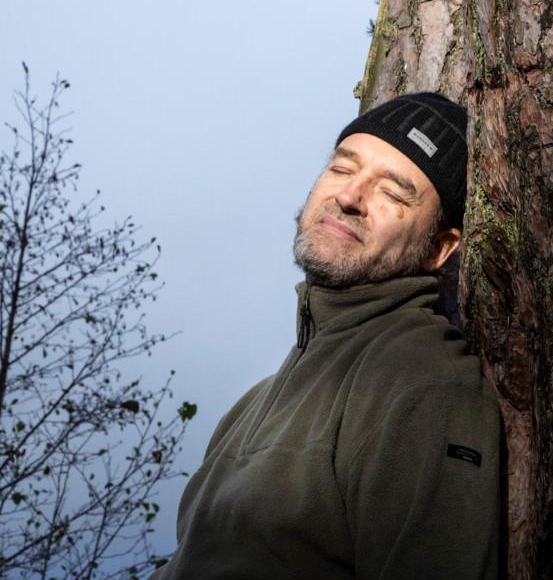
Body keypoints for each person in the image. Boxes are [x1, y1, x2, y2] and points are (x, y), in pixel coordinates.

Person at [153, 93, 502, 579]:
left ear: (440, 249)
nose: (349, 197)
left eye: (393, 193)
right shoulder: (253, 403)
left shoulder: (424, 383)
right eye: (342, 169)